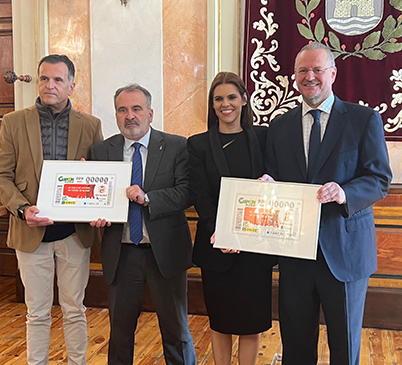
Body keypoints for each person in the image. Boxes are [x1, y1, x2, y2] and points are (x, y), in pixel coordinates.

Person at [261, 42, 392, 365]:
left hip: (345, 254)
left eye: (317, 69)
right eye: (303, 71)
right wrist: (268, 185)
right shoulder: (279, 126)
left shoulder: (363, 120)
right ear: (294, 77)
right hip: (295, 255)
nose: (310, 77)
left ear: (332, 73)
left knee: (345, 348)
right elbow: (275, 177)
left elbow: (379, 179)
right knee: (296, 345)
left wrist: (345, 192)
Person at [0, 54, 103, 364]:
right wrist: (23, 209)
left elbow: (101, 177)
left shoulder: (91, 125)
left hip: (73, 235)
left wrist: (90, 177)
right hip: (30, 231)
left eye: (57, 79)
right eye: (44, 78)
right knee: (37, 312)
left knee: (74, 309)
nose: (49, 85)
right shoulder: (14, 122)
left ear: (71, 85)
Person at [90, 84, 196, 365]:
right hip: (121, 252)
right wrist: (95, 210)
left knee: (175, 330)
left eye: (136, 108)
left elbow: (186, 191)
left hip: (165, 251)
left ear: (150, 113)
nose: (130, 116)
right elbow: (96, 197)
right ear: (116, 115)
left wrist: (148, 198)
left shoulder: (176, 146)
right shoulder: (101, 150)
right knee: (120, 332)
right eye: (122, 110)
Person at [187, 72, 277, 365]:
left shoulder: (264, 137)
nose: (226, 104)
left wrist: (270, 182)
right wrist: (224, 233)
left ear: (244, 100)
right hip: (217, 246)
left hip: (255, 248)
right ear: (213, 105)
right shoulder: (198, 144)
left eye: (232, 97)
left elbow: (275, 184)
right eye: (219, 99)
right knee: (221, 321)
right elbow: (201, 196)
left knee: (252, 321)